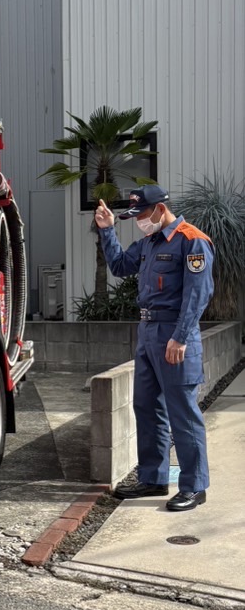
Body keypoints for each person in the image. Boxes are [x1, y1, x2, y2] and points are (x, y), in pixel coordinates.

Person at [95, 184, 215, 511]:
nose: (139, 222)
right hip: (147, 331)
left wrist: (181, 336)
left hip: (175, 333)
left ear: (160, 210)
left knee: (183, 413)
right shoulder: (149, 242)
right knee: (146, 407)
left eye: (143, 215)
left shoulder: (192, 240)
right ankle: (153, 478)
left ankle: (194, 486)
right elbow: (120, 266)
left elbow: (197, 295)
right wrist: (107, 231)